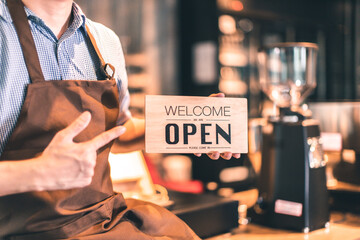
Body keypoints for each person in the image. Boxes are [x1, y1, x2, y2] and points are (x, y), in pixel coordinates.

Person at [0, 0, 240, 239]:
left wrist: (192, 126)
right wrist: (38, 172)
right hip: (21, 229)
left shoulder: (105, 41)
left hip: (100, 217)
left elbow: (119, 133)